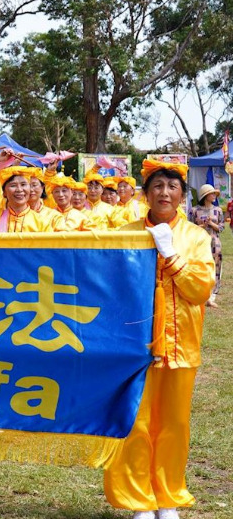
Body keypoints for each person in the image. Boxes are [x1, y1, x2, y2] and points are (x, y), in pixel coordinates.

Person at [103, 159, 214, 519]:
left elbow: (199, 290)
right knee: (134, 423)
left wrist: (171, 256)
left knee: (174, 426)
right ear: (145, 193)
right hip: (132, 346)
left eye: (172, 187)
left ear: (182, 195)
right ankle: (139, 502)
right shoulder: (127, 233)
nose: (164, 193)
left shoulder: (196, 237)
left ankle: (167, 499)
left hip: (181, 345)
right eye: (157, 186)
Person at [188, 184, 224, 308]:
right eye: (212, 193)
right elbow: (189, 228)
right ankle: (201, 295)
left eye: (215, 193)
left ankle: (211, 296)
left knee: (215, 267)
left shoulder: (218, 210)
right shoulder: (194, 210)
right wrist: (202, 226)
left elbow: (221, 227)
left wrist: (211, 224)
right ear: (205, 196)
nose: (214, 196)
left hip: (214, 242)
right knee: (200, 268)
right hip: (199, 243)